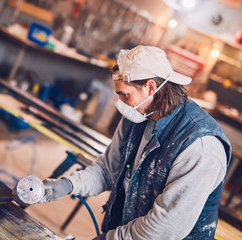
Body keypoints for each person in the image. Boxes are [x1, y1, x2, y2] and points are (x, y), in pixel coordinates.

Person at [16, 45, 232, 240]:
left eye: (125, 95)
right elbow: (109, 170)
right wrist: (68, 184)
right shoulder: (138, 115)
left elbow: (165, 228)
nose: (121, 103)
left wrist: (112, 238)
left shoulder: (201, 146)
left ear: (150, 87)